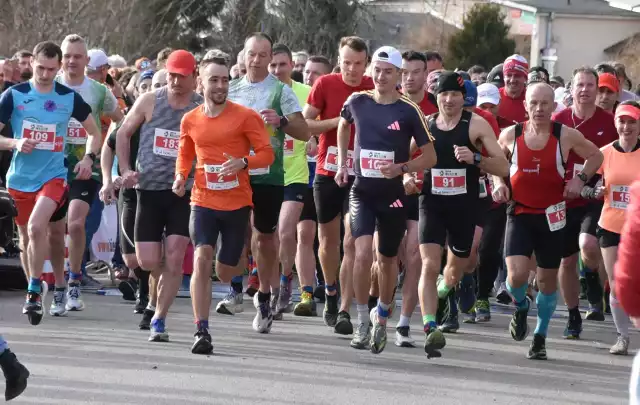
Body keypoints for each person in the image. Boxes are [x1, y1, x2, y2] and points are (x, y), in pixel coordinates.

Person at [493, 82, 603, 360]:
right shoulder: (510, 135)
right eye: (534, 103)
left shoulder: (564, 135)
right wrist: (498, 182)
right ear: (525, 105)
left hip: (552, 216)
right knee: (515, 277)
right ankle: (520, 306)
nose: (539, 108)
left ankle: (540, 336)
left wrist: (579, 180)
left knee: (546, 282)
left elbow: (596, 155)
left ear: (554, 106)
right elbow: (494, 162)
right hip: (519, 212)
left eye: (545, 103)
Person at [174, 55, 273, 354]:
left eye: (224, 80)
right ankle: (201, 330)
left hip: (236, 202)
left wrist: (243, 162)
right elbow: (186, 153)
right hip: (202, 200)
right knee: (201, 258)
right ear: (200, 83)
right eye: (213, 80)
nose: (220, 86)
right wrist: (180, 176)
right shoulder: (190, 119)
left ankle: (239, 283)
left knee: (227, 270)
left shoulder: (245, 116)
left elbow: (267, 154)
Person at [340, 46, 436, 353]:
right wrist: (343, 162)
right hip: (362, 192)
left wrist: (402, 167)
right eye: (377, 70)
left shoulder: (408, 110)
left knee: (387, 259)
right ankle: (361, 323)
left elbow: (431, 156)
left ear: (399, 75)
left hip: (393, 195)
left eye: (388, 72)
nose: (381, 77)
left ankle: (381, 315)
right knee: (360, 250)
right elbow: (343, 125)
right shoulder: (357, 101)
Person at [0, 41, 100, 325]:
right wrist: (14, 142)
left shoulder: (68, 98)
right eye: (40, 68)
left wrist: (88, 159)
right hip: (20, 178)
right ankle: (36, 284)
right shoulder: (14, 95)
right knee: (26, 239)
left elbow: (94, 132)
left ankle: (38, 291)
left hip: (53, 176)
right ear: (32, 64)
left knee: (38, 228)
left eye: (50, 69)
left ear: (57, 69)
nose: (44, 74)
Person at [220, 33, 308, 333]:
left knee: (264, 238)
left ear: (270, 57)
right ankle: (235, 288)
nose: (256, 61)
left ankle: (265, 295)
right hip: (233, 172)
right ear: (243, 56)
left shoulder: (280, 92)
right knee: (236, 234)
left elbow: (304, 131)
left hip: (267, 175)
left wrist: (281, 121)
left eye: (262, 55)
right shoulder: (230, 90)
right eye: (251, 54)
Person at [418, 71, 509, 358]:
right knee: (429, 264)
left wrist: (476, 158)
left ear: (463, 98)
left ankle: (444, 293)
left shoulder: (476, 125)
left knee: (455, 270)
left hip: (463, 207)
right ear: (437, 96)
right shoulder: (427, 124)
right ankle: (430, 327)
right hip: (431, 203)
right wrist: (407, 178)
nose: (449, 99)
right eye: (444, 94)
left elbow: (504, 167)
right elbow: (408, 159)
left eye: (455, 95)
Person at [116, 50, 203, 342]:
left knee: (175, 258)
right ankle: (155, 294)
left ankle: (159, 319)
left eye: (183, 75)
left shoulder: (201, 107)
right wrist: (126, 168)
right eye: (172, 75)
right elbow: (123, 133)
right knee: (149, 261)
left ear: (194, 76)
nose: (176, 81)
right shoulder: (151, 99)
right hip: (149, 191)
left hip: (183, 192)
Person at [303, 36, 374, 334]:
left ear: (366, 63)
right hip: (328, 170)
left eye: (358, 64)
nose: (352, 70)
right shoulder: (326, 84)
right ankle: (330, 290)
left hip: (361, 173)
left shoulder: (374, 85)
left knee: (350, 241)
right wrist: (339, 122)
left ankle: (344, 308)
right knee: (327, 241)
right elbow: (306, 123)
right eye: (347, 63)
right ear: (339, 60)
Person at [56, 34, 124, 312]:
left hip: (88, 167)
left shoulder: (98, 91)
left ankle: (74, 281)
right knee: (51, 229)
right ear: (61, 59)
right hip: (52, 166)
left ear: (86, 60)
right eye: (68, 56)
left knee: (76, 223)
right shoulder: (52, 86)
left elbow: (122, 122)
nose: (72, 61)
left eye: (78, 56)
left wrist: (106, 150)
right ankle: (55, 283)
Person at [553, 67, 618, 337]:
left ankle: (591, 276)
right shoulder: (559, 119)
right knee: (566, 261)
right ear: (572, 88)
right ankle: (572, 314)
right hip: (561, 198)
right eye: (580, 85)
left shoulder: (610, 121)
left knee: (588, 244)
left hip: (594, 197)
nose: (585, 90)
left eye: (591, 85)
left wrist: (598, 183)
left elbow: (617, 159)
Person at [583, 101, 640, 355]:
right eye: (622, 121)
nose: (626, 127)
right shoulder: (604, 153)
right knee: (617, 283)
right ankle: (622, 337)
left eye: (632, 122)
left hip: (637, 228)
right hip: (611, 226)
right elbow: (581, 184)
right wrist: (593, 190)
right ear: (615, 123)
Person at [394, 50, 438, 346]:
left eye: (416, 71)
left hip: (424, 193)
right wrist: (403, 174)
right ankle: (379, 308)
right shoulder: (385, 102)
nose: (410, 77)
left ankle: (404, 324)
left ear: (427, 74)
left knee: (414, 256)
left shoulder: (438, 106)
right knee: (383, 259)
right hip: (388, 188)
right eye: (405, 72)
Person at [267, 43, 315, 316]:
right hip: (265, 173)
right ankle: (272, 286)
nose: (276, 70)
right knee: (267, 236)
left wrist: (314, 138)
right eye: (272, 65)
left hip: (296, 174)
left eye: (281, 64)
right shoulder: (260, 94)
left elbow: (316, 125)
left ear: (291, 66)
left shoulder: (305, 93)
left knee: (286, 232)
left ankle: (286, 280)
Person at [496, 55, 528, 129]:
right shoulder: (494, 97)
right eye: (509, 75)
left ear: (525, 78)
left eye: (517, 76)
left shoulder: (532, 98)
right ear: (504, 77)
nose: (512, 80)